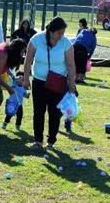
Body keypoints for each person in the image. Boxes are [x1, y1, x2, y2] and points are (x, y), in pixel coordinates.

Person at [20, 17, 76, 150]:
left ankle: (51, 141)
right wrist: (26, 79)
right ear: (51, 31)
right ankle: (38, 140)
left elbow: (70, 64)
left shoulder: (66, 43)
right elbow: (27, 61)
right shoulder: (36, 40)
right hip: (39, 80)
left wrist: (71, 83)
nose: (61, 35)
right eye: (59, 32)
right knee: (38, 111)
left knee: (54, 112)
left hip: (58, 82)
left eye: (63, 32)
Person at [72, 18, 97, 83]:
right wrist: (89, 56)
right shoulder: (93, 36)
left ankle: (75, 78)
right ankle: (80, 79)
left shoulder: (83, 31)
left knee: (76, 63)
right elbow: (93, 48)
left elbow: (76, 38)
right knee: (82, 65)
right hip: (83, 49)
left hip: (75, 46)